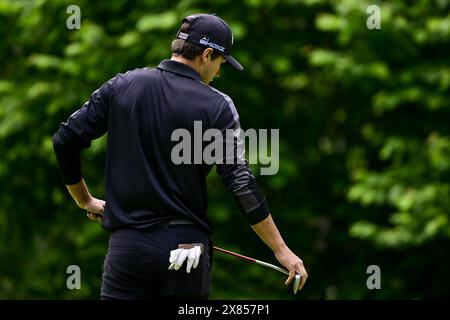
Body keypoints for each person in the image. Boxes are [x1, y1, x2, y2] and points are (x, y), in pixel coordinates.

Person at [52, 13, 307, 300]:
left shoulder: (123, 85)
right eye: (221, 63)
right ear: (207, 54)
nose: (219, 72)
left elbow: (65, 140)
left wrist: (84, 200)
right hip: (186, 252)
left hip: (127, 250)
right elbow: (240, 183)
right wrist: (280, 249)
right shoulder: (218, 106)